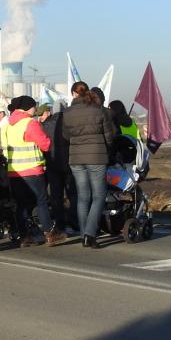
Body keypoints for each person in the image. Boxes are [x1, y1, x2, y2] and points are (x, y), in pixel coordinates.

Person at [0, 96, 67, 247]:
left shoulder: (7, 125)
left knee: (21, 204)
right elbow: (46, 144)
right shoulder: (30, 123)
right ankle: (49, 233)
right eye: (34, 106)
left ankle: (24, 237)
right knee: (41, 201)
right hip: (32, 170)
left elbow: (0, 145)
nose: (36, 109)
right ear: (28, 107)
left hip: (14, 171)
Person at [61, 82, 116, 249]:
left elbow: (66, 135)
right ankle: (90, 234)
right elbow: (109, 135)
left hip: (76, 158)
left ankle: (84, 233)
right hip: (97, 156)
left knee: (82, 197)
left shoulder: (67, 113)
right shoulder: (99, 110)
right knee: (99, 196)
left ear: (74, 94)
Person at [39, 103, 77, 232]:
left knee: (56, 196)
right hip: (69, 163)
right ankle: (74, 220)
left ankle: (60, 223)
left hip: (52, 163)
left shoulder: (46, 125)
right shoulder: (70, 123)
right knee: (72, 193)